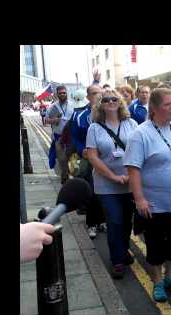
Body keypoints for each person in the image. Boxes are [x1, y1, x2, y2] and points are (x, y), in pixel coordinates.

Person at [123, 88, 171, 302]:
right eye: (167, 104)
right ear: (153, 108)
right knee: (155, 244)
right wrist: (140, 199)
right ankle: (157, 280)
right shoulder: (140, 134)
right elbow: (133, 169)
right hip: (154, 203)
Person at [86, 89, 139, 279]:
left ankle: (124, 250)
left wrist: (130, 176)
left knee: (126, 221)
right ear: (100, 104)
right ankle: (117, 260)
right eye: (106, 99)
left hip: (129, 182)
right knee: (114, 221)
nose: (110, 101)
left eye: (114, 98)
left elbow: (139, 150)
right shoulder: (94, 128)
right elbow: (92, 157)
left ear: (120, 102)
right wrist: (114, 177)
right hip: (106, 185)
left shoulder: (131, 124)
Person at [69, 83, 106, 239]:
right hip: (89, 158)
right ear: (88, 96)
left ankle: (102, 220)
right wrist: (81, 149)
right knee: (92, 191)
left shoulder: (108, 113)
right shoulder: (79, 115)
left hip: (106, 158)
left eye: (101, 93)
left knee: (105, 191)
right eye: (95, 93)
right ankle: (91, 223)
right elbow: (74, 136)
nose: (99, 96)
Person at [45, 85, 76, 184]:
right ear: (57, 94)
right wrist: (54, 120)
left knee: (72, 157)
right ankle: (64, 176)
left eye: (64, 92)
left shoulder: (73, 105)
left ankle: (74, 175)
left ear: (66, 93)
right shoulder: (52, 107)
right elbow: (46, 120)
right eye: (60, 93)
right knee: (62, 158)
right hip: (59, 137)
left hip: (71, 136)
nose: (62, 94)